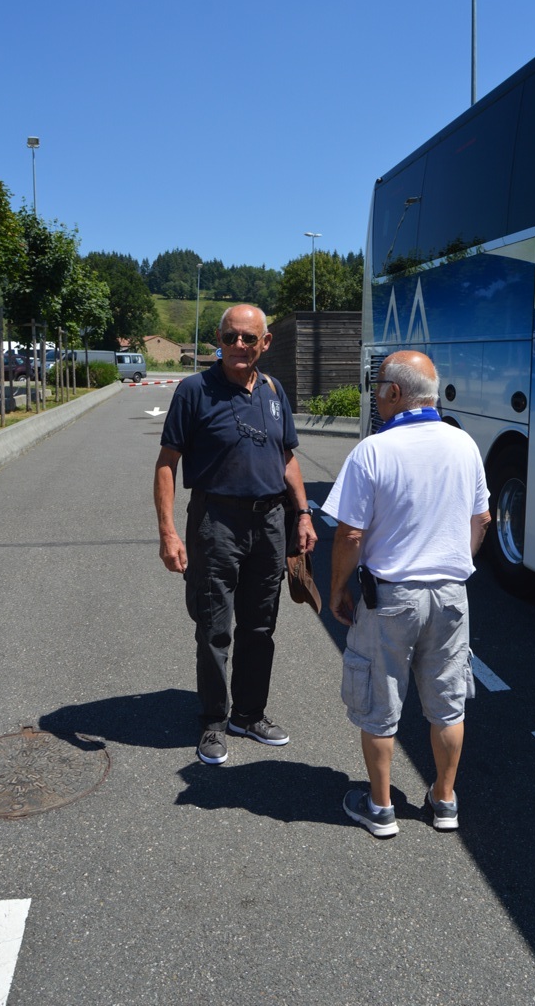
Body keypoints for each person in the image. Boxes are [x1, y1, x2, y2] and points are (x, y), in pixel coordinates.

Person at [323, 351, 491, 837]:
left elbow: (350, 535)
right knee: (448, 704)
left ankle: (380, 808)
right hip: (451, 595)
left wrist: (337, 587)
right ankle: (444, 800)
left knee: (380, 703)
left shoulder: (374, 451)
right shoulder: (464, 444)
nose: (376, 396)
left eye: (378, 388)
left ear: (394, 393)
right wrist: (456, 563)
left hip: (392, 597)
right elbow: (481, 520)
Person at [154, 304, 317, 765]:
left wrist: (303, 514)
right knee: (214, 626)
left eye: (248, 338)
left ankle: (249, 713)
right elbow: (167, 463)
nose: (238, 346)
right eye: (230, 337)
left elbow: (287, 458)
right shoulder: (194, 390)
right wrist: (168, 532)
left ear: (265, 342)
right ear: (218, 340)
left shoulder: (273, 389)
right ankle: (213, 720)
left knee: (260, 625)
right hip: (216, 522)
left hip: (269, 523)